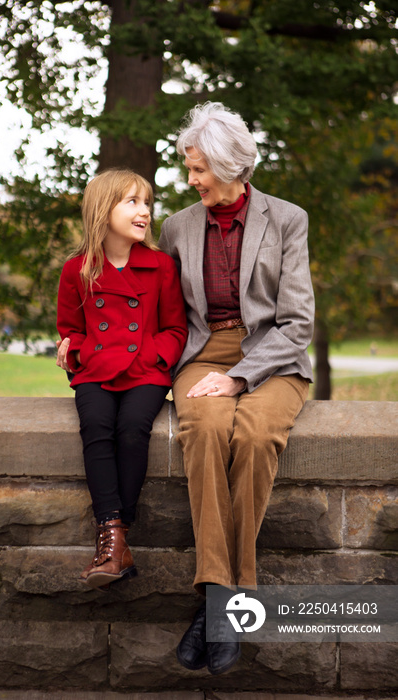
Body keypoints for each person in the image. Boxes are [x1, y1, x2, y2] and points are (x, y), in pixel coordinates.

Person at [158, 102, 315, 675]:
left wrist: (241, 377)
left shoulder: (287, 219)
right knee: (203, 427)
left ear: (229, 166)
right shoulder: (178, 227)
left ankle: (220, 599)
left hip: (274, 357)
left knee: (253, 435)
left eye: (198, 168)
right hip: (203, 354)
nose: (191, 179)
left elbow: (297, 322)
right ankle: (225, 596)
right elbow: (154, 306)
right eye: (190, 168)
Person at [56, 168, 188, 590]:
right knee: (96, 427)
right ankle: (113, 538)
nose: (144, 211)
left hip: (145, 370)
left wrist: (152, 356)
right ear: (102, 210)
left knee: (132, 430)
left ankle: (115, 540)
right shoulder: (76, 270)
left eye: (147, 202)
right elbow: (69, 328)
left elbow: (175, 329)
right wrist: (74, 348)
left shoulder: (161, 266)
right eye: (132, 202)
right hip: (96, 369)